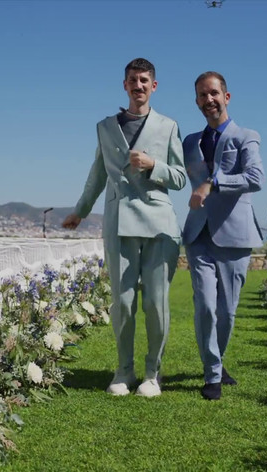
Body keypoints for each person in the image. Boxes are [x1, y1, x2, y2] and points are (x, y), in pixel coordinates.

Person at [62, 58, 186, 397]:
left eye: (145, 80)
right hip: (119, 225)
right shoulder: (105, 127)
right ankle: (124, 370)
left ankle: (152, 373)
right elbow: (97, 174)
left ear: (154, 86)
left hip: (160, 225)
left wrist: (153, 165)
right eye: (133, 80)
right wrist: (80, 211)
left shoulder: (169, 126)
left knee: (156, 304)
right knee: (123, 302)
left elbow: (180, 177)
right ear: (125, 85)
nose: (139, 85)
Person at [182, 71, 265, 400]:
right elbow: (176, 172)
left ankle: (217, 362)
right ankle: (212, 374)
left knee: (226, 311)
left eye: (213, 93)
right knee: (204, 304)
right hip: (197, 232)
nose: (208, 100)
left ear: (226, 97)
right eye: (202, 95)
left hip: (234, 235)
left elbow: (256, 177)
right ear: (197, 101)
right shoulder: (189, 142)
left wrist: (214, 183)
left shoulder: (247, 136)